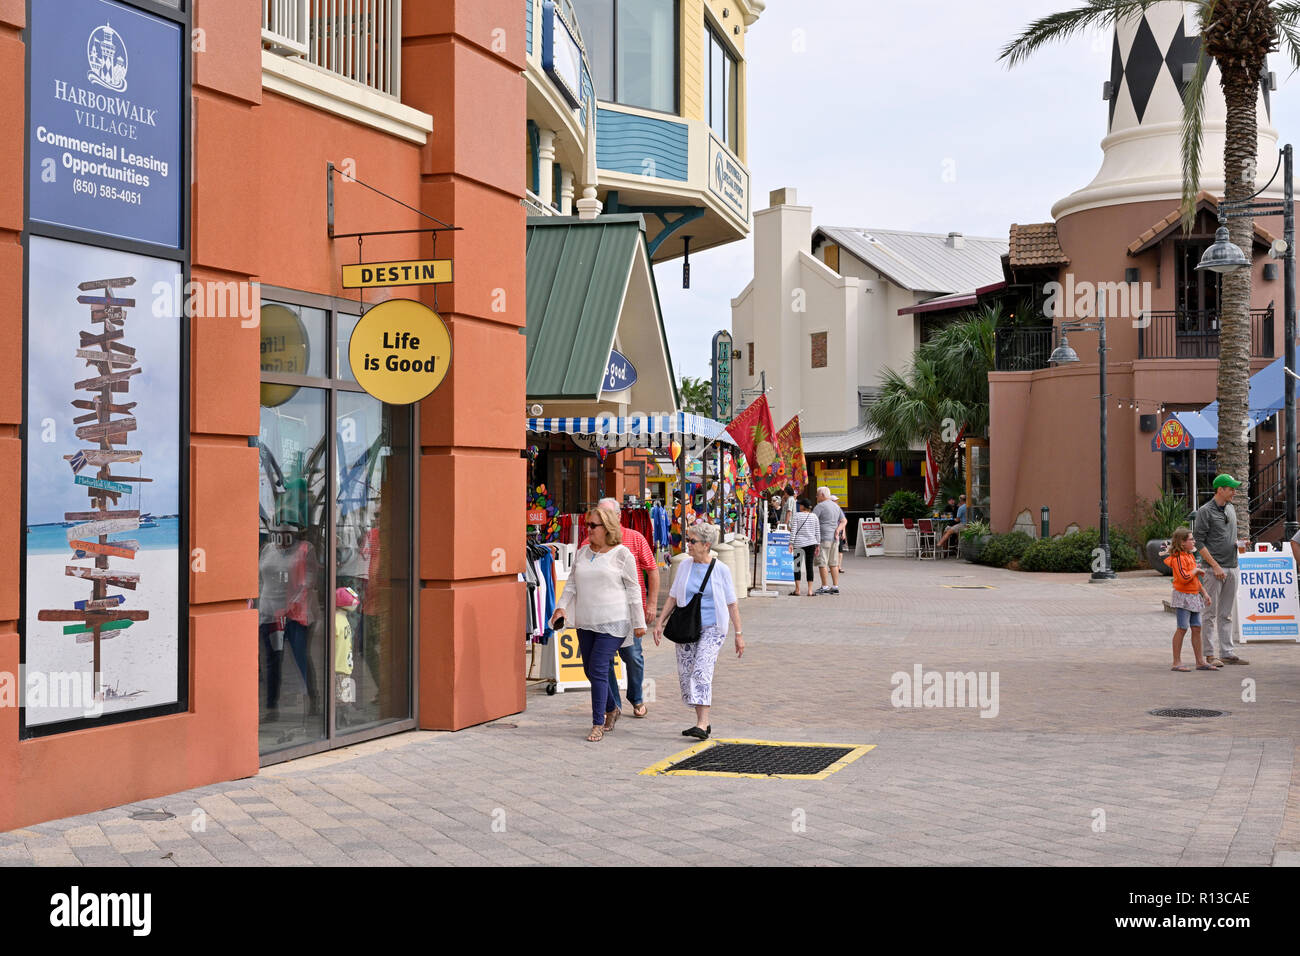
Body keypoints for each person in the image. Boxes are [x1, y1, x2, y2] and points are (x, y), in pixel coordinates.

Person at [551, 508, 647, 741]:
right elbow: (571, 585)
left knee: (598, 668)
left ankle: (598, 721)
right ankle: (613, 706)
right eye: (587, 524)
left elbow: (634, 591)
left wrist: (639, 622)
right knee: (589, 669)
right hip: (586, 620)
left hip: (614, 620)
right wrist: (561, 606)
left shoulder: (623, 554)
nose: (588, 529)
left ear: (607, 528)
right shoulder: (583, 553)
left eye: (593, 525)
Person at [653, 522, 743, 739]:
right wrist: (659, 622)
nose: (688, 545)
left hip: (713, 628)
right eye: (688, 539)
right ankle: (703, 721)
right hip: (687, 627)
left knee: (701, 671)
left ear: (706, 545)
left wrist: (738, 634)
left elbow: (732, 603)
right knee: (686, 675)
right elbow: (674, 596)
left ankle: (701, 724)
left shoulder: (721, 570)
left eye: (692, 541)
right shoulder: (684, 566)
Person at [594, 497, 658, 723]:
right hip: (602, 611)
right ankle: (614, 706)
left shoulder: (635, 538)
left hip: (630, 612)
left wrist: (651, 603)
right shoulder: (591, 541)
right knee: (605, 660)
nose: (599, 520)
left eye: (606, 515)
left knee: (632, 656)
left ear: (619, 517)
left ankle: (636, 697)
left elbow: (652, 570)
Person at [1193, 474, 1249, 666]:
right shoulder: (1205, 511)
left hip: (1232, 566)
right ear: (1220, 490)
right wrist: (1215, 565)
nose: (1234, 492)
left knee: (1226, 613)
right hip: (1212, 570)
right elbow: (1198, 541)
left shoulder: (1231, 509)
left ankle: (1227, 652)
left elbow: (1228, 537)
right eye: (1231, 489)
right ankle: (1209, 655)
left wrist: (1239, 544)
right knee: (1209, 613)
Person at [1163, 528, 1216, 671]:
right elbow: (1184, 578)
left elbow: (1195, 580)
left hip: (1193, 596)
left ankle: (1200, 661)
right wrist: (1196, 571)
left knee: (1197, 628)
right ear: (1182, 542)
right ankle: (1176, 662)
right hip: (1183, 596)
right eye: (1191, 539)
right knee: (1182, 628)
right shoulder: (1178, 559)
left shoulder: (1189, 556)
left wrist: (1204, 593)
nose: (1194, 541)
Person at [812, 486, 847, 595]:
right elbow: (844, 520)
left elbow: (812, 521)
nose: (816, 496)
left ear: (822, 495)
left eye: (817, 494)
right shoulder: (836, 506)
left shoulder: (819, 506)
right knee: (834, 563)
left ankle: (824, 586)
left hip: (823, 538)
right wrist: (838, 530)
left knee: (822, 563)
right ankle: (835, 586)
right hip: (834, 539)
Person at [788, 497, 820, 597]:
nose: (799, 506)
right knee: (809, 566)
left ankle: (797, 590)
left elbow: (793, 531)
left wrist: (791, 543)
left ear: (803, 507)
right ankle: (810, 591)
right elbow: (817, 531)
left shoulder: (797, 516)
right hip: (811, 544)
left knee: (797, 567)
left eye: (800, 504)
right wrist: (818, 544)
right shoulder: (814, 516)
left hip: (798, 544)